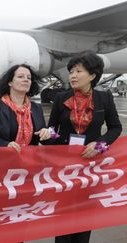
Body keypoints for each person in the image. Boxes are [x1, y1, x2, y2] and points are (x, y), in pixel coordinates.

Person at [48, 50, 122, 243]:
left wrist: (100, 144)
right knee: (63, 216)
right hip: (64, 168)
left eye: (78, 71)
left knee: (85, 215)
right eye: (71, 71)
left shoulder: (104, 98)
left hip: (90, 167)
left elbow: (115, 127)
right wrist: (48, 137)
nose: (72, 75)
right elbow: (52, 129)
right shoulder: (61, 98)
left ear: (92, 75)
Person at [0, 64, 51, 151]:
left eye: (29, 78)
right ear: (10, 82)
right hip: (2, 160)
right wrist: (5, 145)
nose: (26, 79)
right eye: (20, 76)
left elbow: (44, 139)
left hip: (29, 161)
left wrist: (47, 133)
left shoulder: (36, 108)